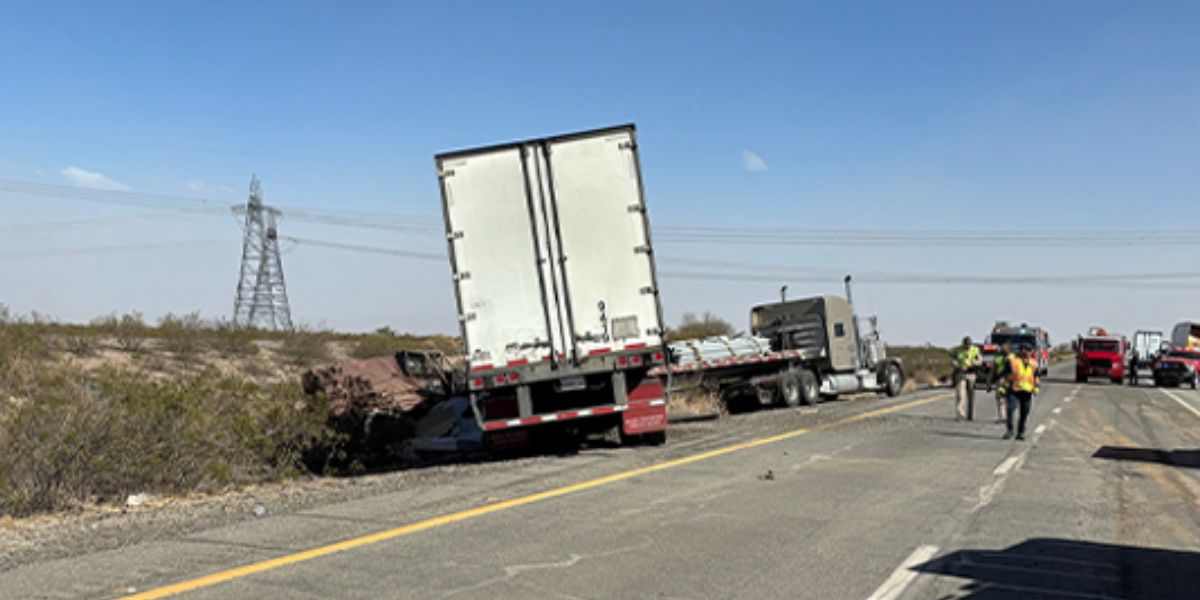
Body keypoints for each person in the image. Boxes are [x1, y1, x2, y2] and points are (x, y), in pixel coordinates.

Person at [1004, 345, 1040, 440]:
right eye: (1024, 350)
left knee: (1024, 412)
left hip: (1027, 391)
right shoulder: (1012, 362)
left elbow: (1036, 377)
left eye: (1029, 351)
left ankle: (1021, 432)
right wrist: (1003, 387)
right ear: (1020, 351)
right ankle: (1010, 430)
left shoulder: (1034, 363)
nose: (1027, 353)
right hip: (1014, 389)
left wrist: (1036, 387)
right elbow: (1006, 375)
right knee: (1010, 409)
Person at [952, 336, 982, 420]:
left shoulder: (975, 350)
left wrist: (973, 363)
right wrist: (957, 365)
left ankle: (970, 414)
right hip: (961, 373)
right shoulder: (958, 350)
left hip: (971, 374)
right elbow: (953, 360)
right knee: (961, 394)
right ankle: (960, 413)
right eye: (966, 345)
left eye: (968, 345)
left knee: (970, 395)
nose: (967, 347)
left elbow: (980, 361)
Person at [992, 344, 1011, 423]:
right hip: (1000, 379)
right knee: (1001, 399)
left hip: (1010, 380)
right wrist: (989, 383)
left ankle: (1008, 416)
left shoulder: (1012, 358)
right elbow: (993, 371)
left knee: (1009, 399)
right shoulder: (997, 359)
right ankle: (1002, 417)